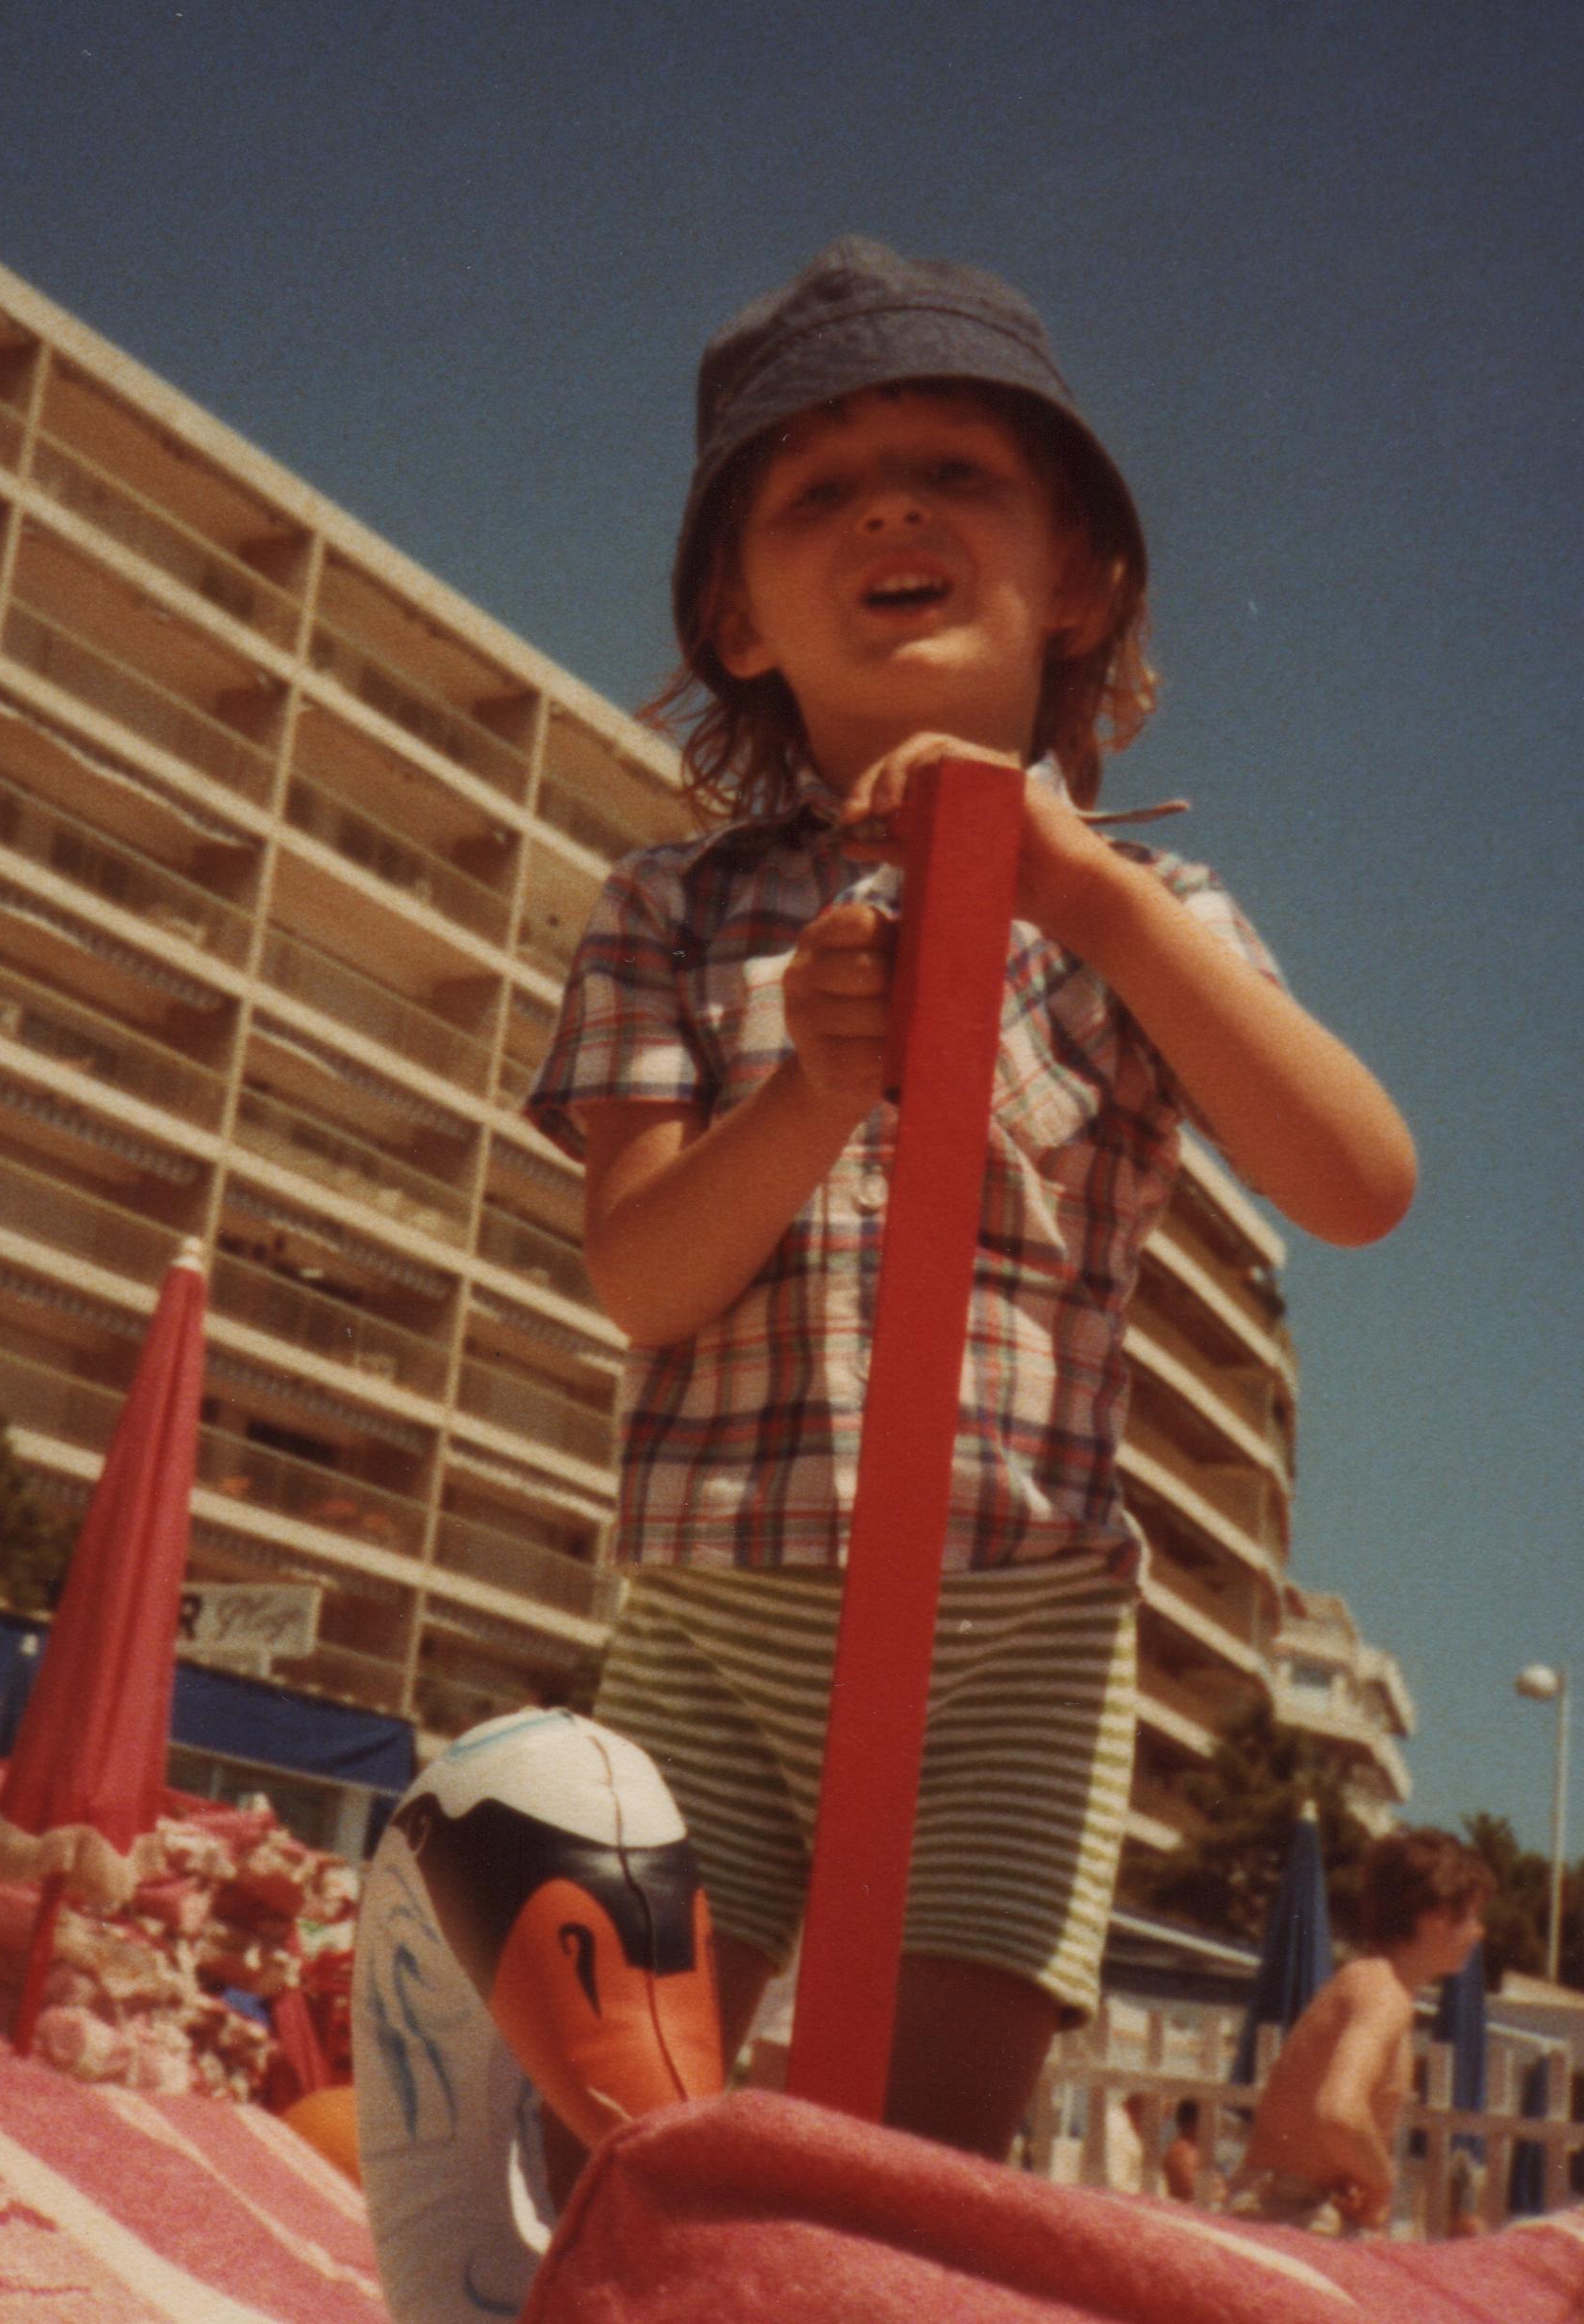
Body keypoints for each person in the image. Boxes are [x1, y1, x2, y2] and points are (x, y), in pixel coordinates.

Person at [528, 236, 1417, 2163]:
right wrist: (811, 1089)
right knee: (614, 2137)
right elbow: (642, 1276)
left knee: (905, 2175)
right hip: (718, 1614)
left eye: (952, 469)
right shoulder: (668, 907)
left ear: (1076, 573)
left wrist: (1081, 890)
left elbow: (1357, 1181)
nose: (889, 510)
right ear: (737, 614)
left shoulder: (1147, 916)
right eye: (818, 491)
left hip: (1014, 1644)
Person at [1226, 1827, 1493, 2231]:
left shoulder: (1371, 1983)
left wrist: (1355, 2175)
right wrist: (1383, 2181)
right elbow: (1339, 2111)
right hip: (1286, 2209)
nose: (1479, 1931)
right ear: (1436, 1917)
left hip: (1284, 2200)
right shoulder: (1383, 1993)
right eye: (1471, 1916)